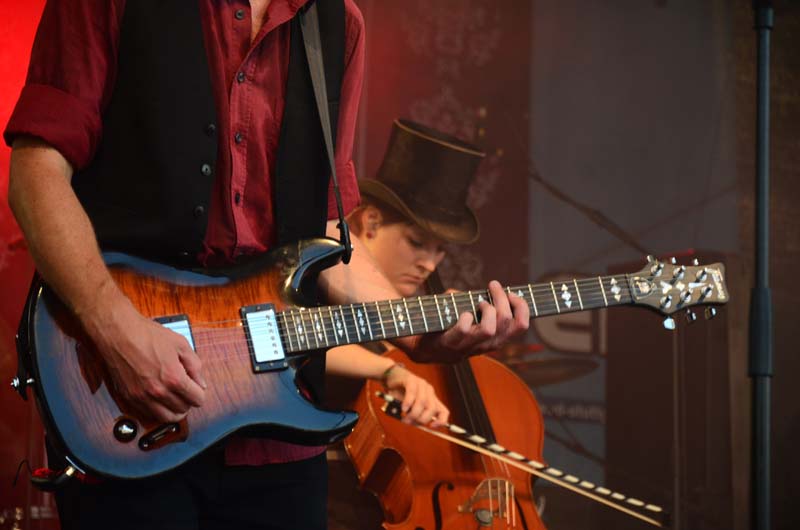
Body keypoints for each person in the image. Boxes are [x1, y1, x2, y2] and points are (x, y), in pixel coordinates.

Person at [4, 2, 529, 529]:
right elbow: (36, 171)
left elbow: (323, 230)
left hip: (278, 445)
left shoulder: (338, 24)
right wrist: (116, 330)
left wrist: (417, 335)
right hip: (128, 408)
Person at [326, 119, 495, 528]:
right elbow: (300, 342)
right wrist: (390, 370)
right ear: (369, 224)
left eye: (440, 251)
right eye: (417, 243)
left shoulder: (417, 315)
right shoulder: (318, 278)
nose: (429, 264)